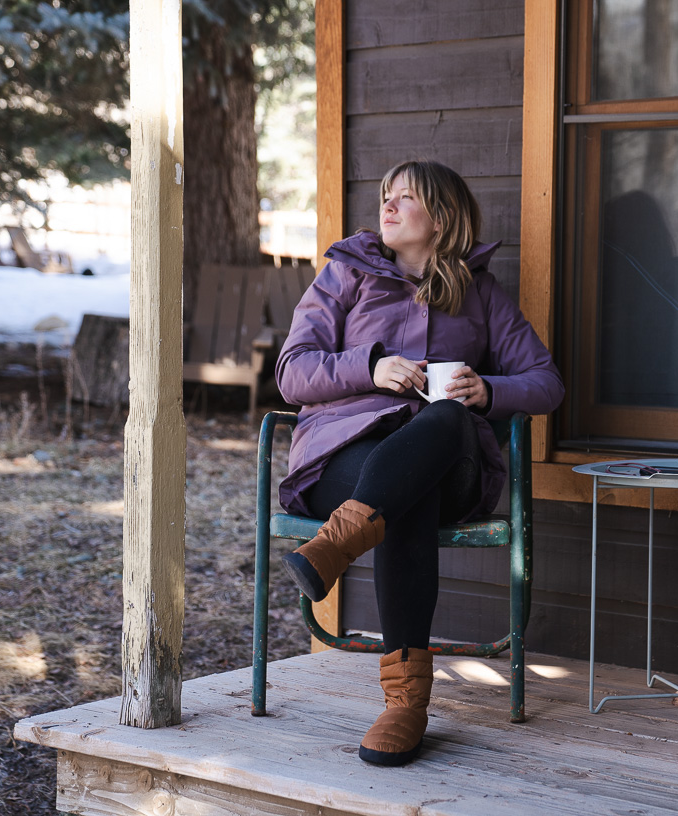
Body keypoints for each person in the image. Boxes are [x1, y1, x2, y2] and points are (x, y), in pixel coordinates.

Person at [274, 160, 564, 766]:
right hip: (343, 456)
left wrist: (487, 391)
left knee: (446, 421)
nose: (388, 205)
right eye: (387, 195)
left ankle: (333, 548)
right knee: (406, 497)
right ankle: (405, 704)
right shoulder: (346, 275)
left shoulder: (480, 292)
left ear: (442, 219)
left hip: (451, 460)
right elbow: (292, 371)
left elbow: (545, 383)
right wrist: (369, 366)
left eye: (406, 198)